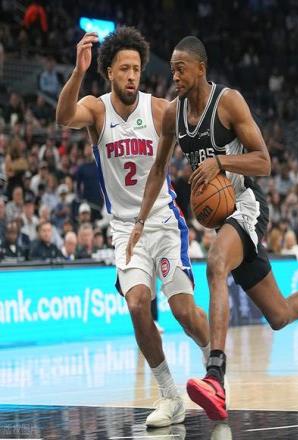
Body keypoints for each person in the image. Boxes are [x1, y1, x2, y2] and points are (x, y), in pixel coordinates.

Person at [127, 35, 298, 421]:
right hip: (224, 218)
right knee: (279, 315)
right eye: (172, 69)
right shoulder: (172, 114)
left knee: (215, 265)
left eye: (181, 68)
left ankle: (215, 375)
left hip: (248, 206)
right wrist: (140, 220)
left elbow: (264, 162)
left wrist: (221, 163)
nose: (173, 75)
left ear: (200, 69)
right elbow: (158, 169)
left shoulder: (228, 102)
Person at [56, 27, 210, 428]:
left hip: (163, 219)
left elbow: (196, 124)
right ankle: (170, 396)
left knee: (184, 311)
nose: (131, 76)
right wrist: (78, 71)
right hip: (125, 229)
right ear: (109, 71)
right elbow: (63, 117)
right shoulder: (96, 110)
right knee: (137, 304)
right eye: (124, 68)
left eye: (136, 69)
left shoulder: (158, 109)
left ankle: (216, 366)